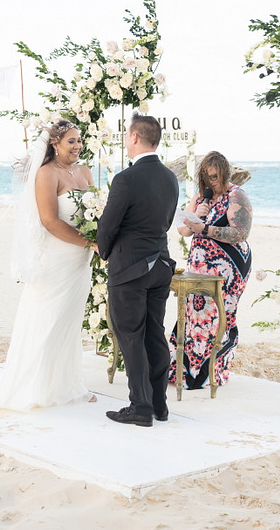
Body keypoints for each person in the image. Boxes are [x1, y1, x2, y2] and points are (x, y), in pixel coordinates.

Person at [0, 120, 96, 409]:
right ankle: (34, 385)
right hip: (56, 258)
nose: (77, 146)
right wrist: (88, 243)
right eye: (71, 141)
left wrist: (99, 235)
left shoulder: (85, 172)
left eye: (79, 140)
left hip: (80, 262)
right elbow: (49, 221)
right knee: (48, 319)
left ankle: (66, 383)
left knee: (69, 322)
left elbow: (99, 211)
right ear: (55, 144)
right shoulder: (46, 174)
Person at [97, 113, 179, 427]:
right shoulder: (170, 178)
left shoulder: (126, 179)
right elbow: (166, 221)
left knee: (131, 335)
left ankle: (140, 407)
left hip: (130, 269)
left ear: (134, 137)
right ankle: (160, 406)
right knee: (154, 334)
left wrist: (105, 251)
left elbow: (108, 225)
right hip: (161, 264)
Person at [175, 151, 253, 388]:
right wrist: (194, 219)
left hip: (229, 268)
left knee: (219, 317)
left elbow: (241, 232)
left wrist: (205, 229)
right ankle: (188, 371)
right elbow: (183, 231)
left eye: (216, 176)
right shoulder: (201, 197)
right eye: (208, 177)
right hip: (199, 267)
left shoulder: (236, 195)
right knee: (194, 316)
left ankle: (213, 372)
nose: (212, 181)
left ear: (225, 173)